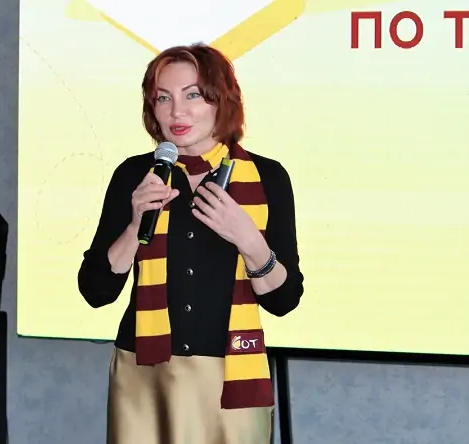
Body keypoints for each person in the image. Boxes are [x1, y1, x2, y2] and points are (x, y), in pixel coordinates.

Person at [77, 43, 304, 444]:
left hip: (231, 378)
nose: (176, 112)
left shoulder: (266, 177)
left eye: (192, 95)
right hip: (144, 375)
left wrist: (247, 238)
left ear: (222, 100)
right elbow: (96, 291)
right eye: (163, 98)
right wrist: (135, 225)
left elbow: (284, 300)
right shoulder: (136, 175)